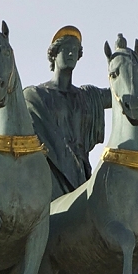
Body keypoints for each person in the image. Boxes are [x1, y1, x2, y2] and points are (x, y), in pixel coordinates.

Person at [24, 26, 113, 196]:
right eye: (66, 49)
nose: (71, 54)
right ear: (54, 54)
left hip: (81, 177)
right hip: (50, 177)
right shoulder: (35, 96)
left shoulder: (87, 96)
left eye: (75, 50)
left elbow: (127, 95)